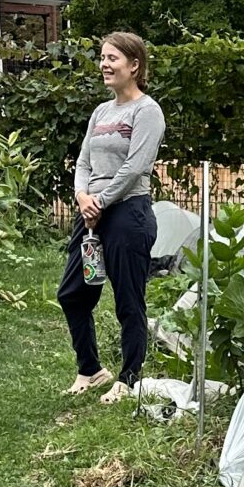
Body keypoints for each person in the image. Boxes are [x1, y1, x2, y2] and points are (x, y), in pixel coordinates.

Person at [58, 33, 166, 402]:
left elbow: (136, 166)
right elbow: (84, 160)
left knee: (128, 298)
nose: (104, 64)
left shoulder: (146, 111)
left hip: (127, 212)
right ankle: (91, 369)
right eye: (102, 58)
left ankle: (129, 377)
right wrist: (82, 196)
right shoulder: (101, 113)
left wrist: (100, 201)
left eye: (113, 58)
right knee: (73, 294)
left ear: (134, 66)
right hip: (92, 212)